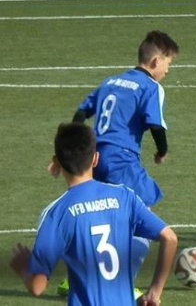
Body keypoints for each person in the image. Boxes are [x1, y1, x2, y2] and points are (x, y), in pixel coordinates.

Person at [9, 122, 178, 306]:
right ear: (96, 159)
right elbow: (169, 238)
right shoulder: (124, 197)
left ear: (56, 162)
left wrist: (24, 268)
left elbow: (37, 286)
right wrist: (154, 292)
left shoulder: (57, 213)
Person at [70, 30, 179, 292]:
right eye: (168, 63)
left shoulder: (111, 81)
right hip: (121, 161)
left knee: (100, 217)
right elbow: (156, 125)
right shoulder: (151, 87)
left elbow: (80, 114)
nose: (168, 70)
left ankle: (74, 277)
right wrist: (162, 151)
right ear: (156, 61)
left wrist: (78, 150)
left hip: (93, 159)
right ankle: (121, 282)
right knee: (142, 215)